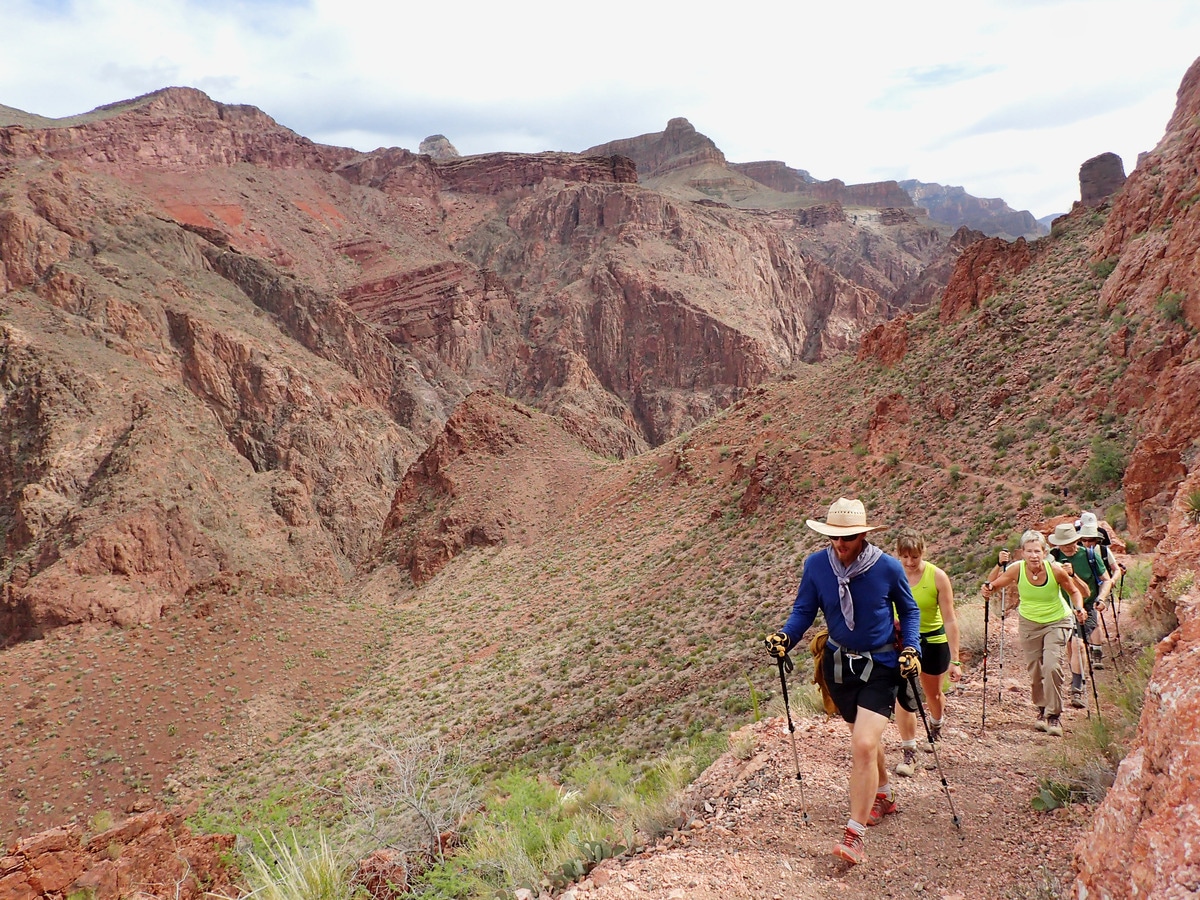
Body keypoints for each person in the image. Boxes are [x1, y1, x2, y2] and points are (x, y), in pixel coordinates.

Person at [764, 498, 920, 866]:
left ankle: (854, 836)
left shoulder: (887, 567)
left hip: (882, 664)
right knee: (864, 738)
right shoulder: (817, 566)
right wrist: (787, 637)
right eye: (835, 536)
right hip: (839, 667)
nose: (841, 543)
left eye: (848, 537)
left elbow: (909, 609)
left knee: (864, 744)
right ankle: (883, 794)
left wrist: (911, 647)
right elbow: (804, 610)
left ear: (863, 534)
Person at [983, 530, 1085, 736]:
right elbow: (993, 584)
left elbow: (1073, 591)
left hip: (1057, 620)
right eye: (1029, 551)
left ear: (1045, 552)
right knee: (1035, 670)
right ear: (1022, 553)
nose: (1033, 555)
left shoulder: (1055, 570)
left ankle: (1054, 716)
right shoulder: (1016, 570)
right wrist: (988, 588)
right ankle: (1041, 709)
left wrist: (1079, 608)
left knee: (1052, 665)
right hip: (1029, 623)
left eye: (1037, 551)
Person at [892, 529, 961, 777]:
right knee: (905, 696)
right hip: (903, 643)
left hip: (932, 641)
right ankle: (909, 752)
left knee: (933, 695)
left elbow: (950, 620)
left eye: (915, 557)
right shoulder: (893, 575)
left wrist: (955, 659)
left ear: (923, 552)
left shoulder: (937, 577)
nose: (910, 563)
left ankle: (936, 724)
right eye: (905, 557)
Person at [1048, 521, 1111, 707]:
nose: (1067, 546)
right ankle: (1077, 676)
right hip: (1060, 610)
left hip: (1086, 606)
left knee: (1078, 645)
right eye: (1063, 542)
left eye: (1070, 541)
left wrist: (1101, 598)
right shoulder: (1052, 558)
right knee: (1072, 646)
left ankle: (1078, 688)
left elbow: (1105, 580)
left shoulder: (1089, 556)